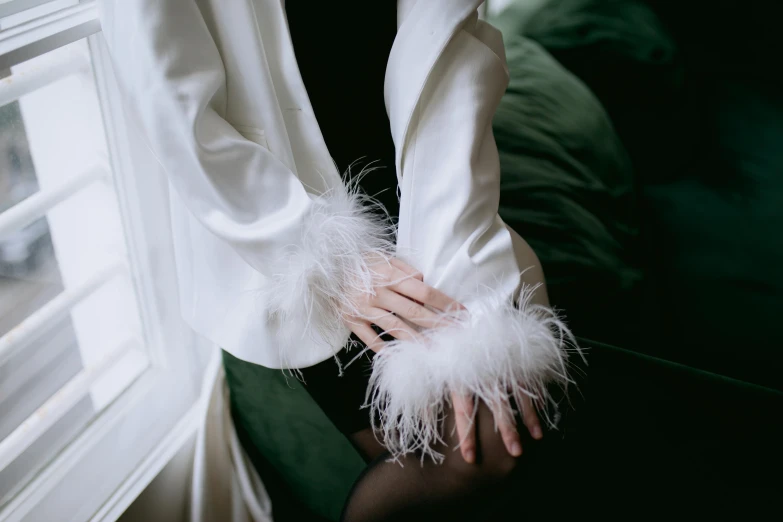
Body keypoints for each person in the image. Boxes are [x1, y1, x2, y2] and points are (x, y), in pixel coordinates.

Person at [99, 0, 577, 520]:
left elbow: (456, 68)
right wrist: (327, 259)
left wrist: (470, 272)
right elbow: (172, 109)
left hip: (426, 193)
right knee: (475, 455)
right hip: (283, 228)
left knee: (500, 432)